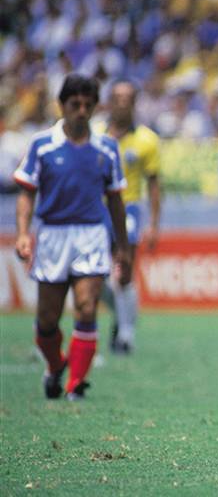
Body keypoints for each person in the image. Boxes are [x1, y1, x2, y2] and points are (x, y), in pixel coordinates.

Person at [13, 73, 130, 401]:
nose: (81, 111)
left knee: (87, 308)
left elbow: (116, 200)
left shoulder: (106, 148)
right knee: (47, 320)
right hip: (51, 234)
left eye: (88, 105)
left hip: (91, 234)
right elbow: (26, 193)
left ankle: (76, 383)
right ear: (62, 105)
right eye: (75, 104)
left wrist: (123, 248)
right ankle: (55, 366)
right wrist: (23, 234)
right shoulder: (42, 144)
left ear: (94, 108)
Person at [101, 78, 161, 354]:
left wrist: (154, 224)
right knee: (97, 276)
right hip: (98, 209)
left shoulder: (147, 140)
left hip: (130, 208)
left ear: (135, 103)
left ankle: (125, 335)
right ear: (109, 102)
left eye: (128, 98)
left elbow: (154, 184)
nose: (123, 103)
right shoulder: (96, 137)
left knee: (125, 271)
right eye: (118, 98)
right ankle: (122, 316)